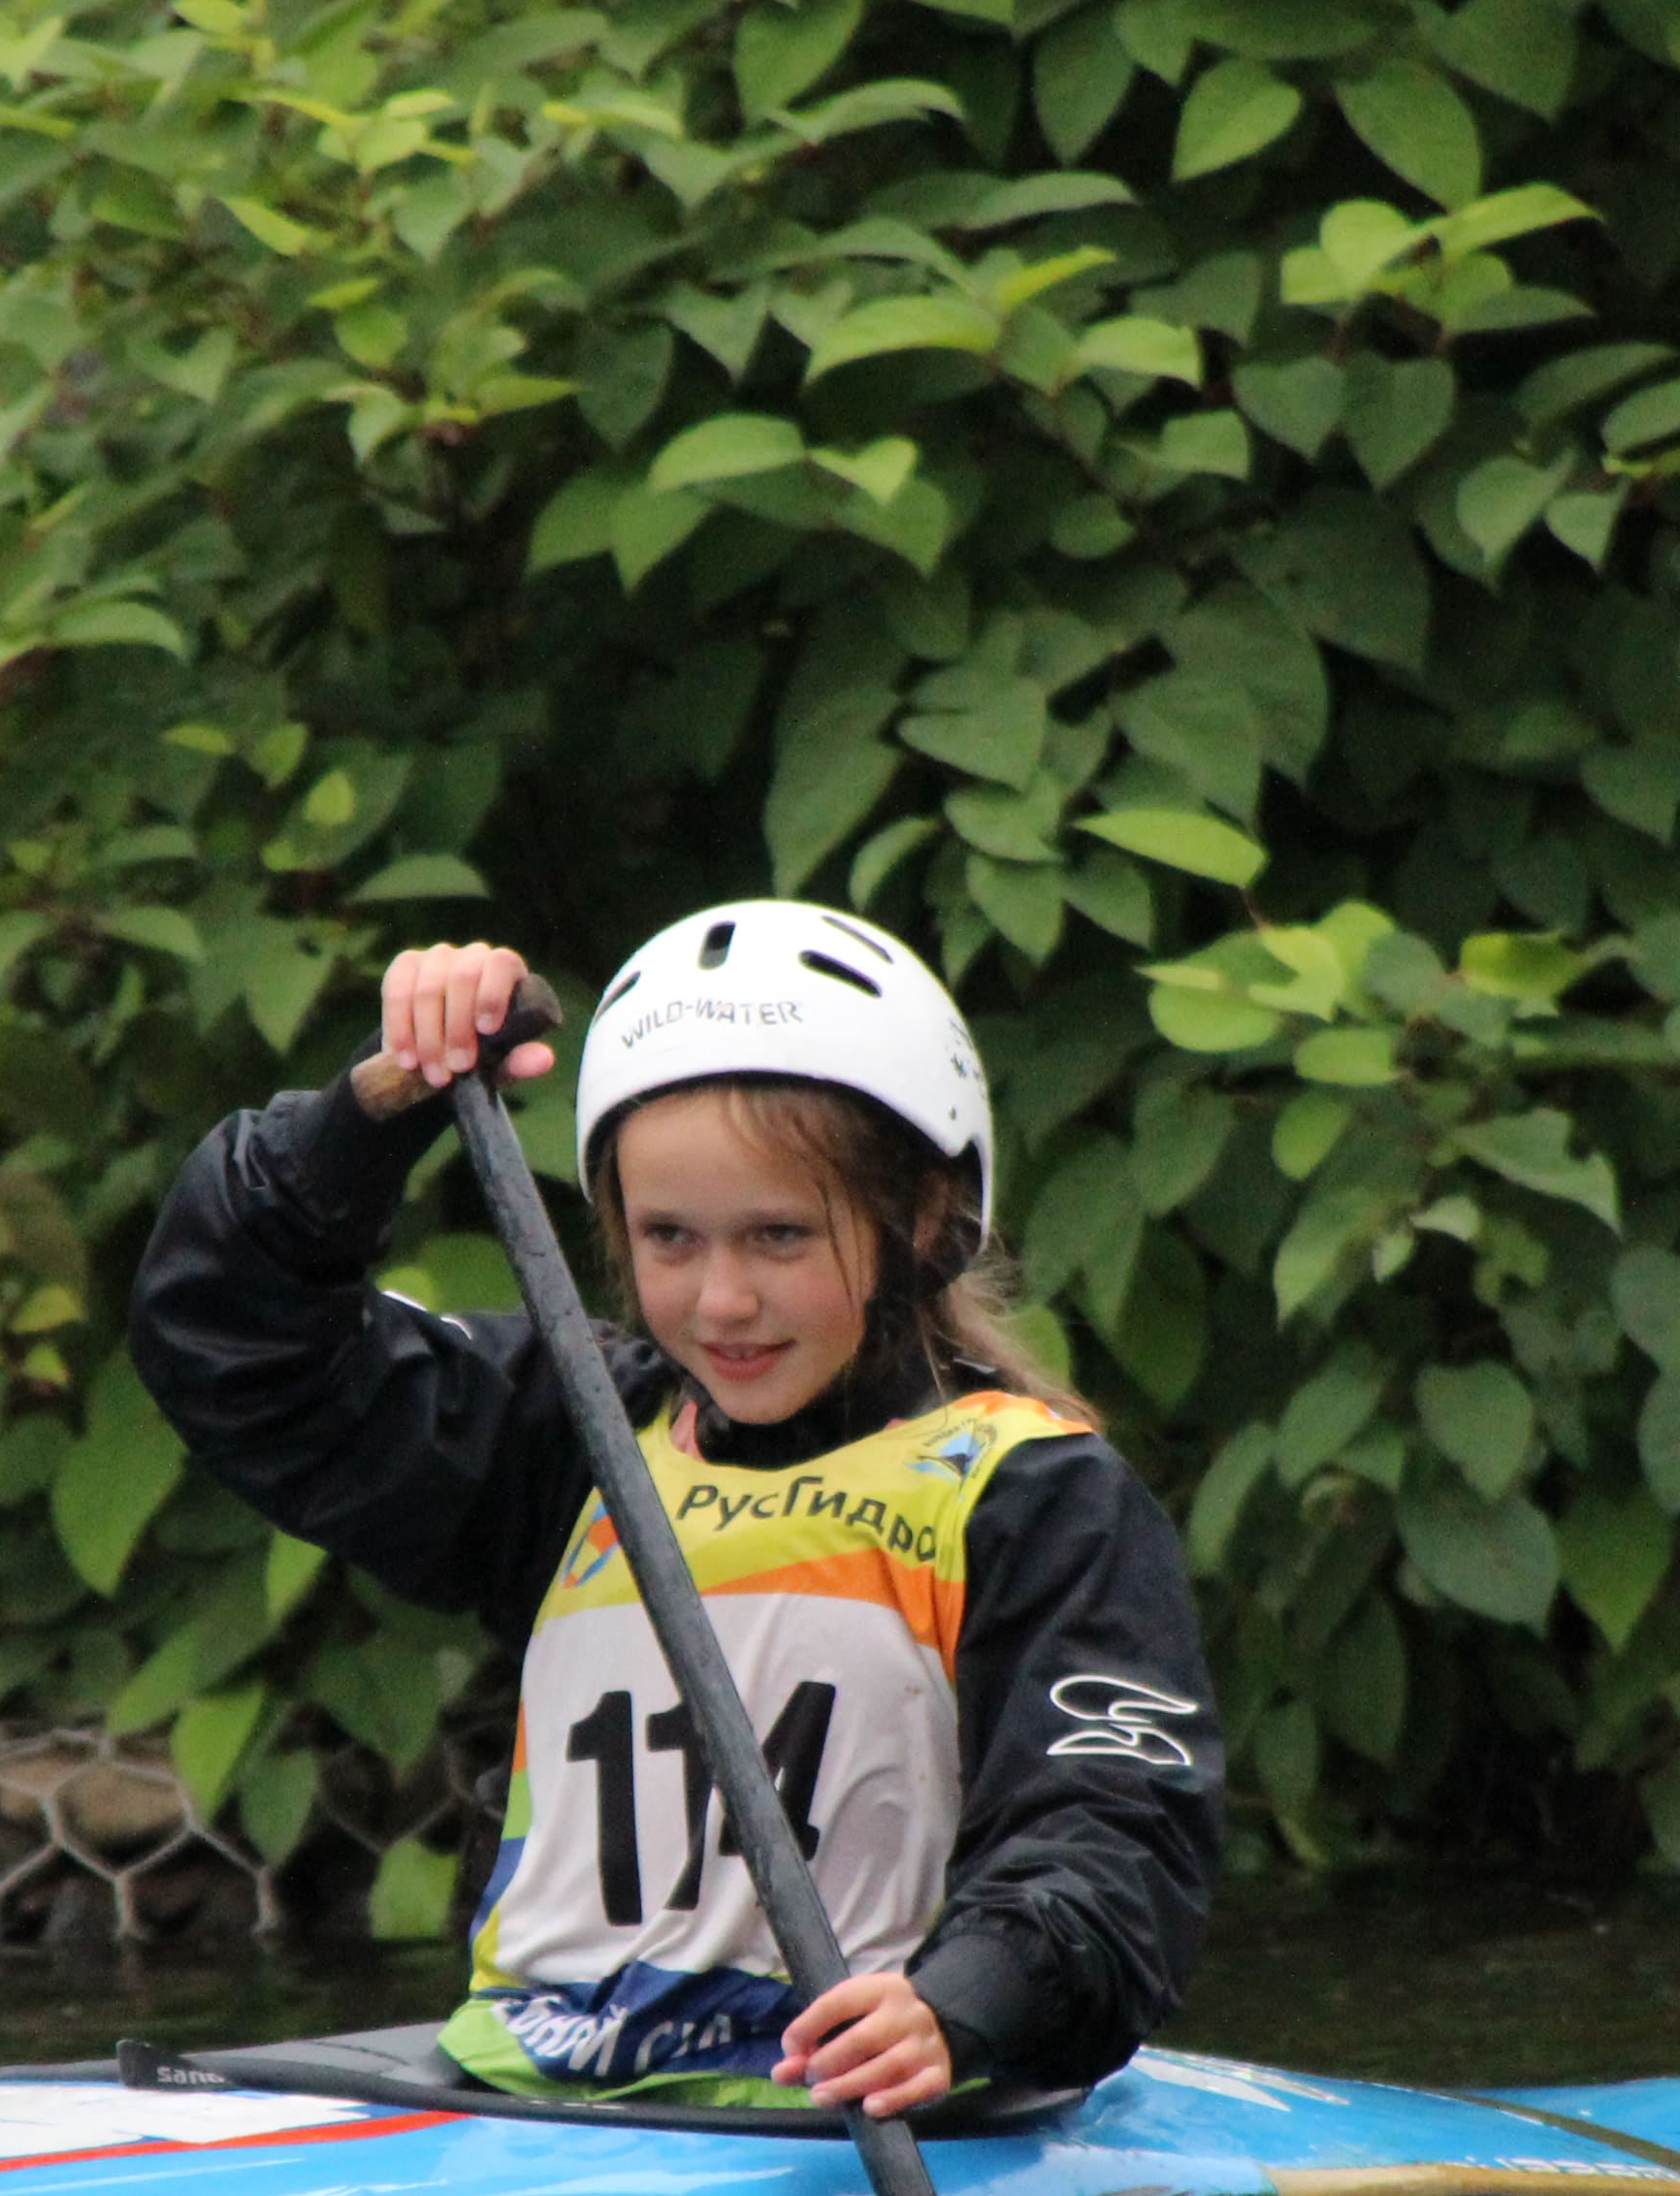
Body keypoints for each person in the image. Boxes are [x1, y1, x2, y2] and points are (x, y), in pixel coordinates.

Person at [129, 900, 1222, 2118]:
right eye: (669, 1238)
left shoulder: (1033, 1497)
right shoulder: (575, 1436)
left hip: (850, 2107)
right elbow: (234, 1348)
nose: (723, 1301)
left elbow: (1114, 1832)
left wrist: (964, 2003)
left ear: (920, 1217)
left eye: (779, 1236)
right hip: (535, 2098)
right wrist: (362, 1123)